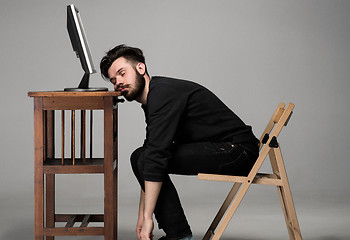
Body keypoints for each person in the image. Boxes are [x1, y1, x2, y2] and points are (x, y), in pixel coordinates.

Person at [100, 45, 259, 240]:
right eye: (114, 80)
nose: (118, 83)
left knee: (145, 157)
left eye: (122, 74)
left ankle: (179, 236)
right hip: (227, 148)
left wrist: (148, 217)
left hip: (238, 151)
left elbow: (155, 156)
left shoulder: (162, 94)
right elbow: (151, 154)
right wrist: (142, 215)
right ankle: (179, 235)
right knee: (142, 156)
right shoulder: (154, 98)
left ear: (140, 68)